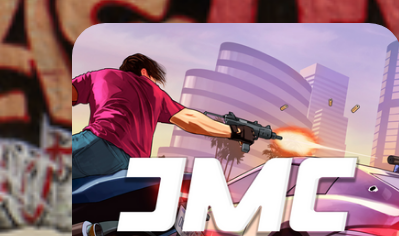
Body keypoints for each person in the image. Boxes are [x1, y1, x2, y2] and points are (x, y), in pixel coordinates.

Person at [69, 53, 261, 182]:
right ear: (145, 72)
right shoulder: (157, 94)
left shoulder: (103, 75)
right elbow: (191, 119)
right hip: (129, 166)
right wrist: (235, 131)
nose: (154, 84)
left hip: (101, 144)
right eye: (155, 79)